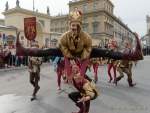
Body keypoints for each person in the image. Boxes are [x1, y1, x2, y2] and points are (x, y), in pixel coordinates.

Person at [59, 8, 92, 79]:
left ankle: (81, 76)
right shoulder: (64, 37)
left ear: (80, 26)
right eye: (73, 25)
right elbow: (63, 47)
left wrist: (82, 57)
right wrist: (71, 57)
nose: (75, 28)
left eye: (77, 25)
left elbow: (88, 48)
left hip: (81, 55)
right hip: (69, 55)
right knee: (67, 64)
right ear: (70, 26)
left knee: (81, 74)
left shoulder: (87, 37)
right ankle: (68, 75)